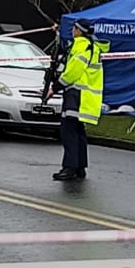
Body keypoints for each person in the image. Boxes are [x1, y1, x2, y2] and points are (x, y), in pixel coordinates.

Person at [44, 18, 108, 181]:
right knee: (78, 131)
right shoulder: (93, 46)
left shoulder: (80, 45)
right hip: (85, 96)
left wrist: (55, 88)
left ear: (79, 31)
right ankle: (79, 167)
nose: (72, 31)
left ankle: (69, 167)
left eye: (74, 28)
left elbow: (73, 72)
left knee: (69, 131)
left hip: (76, 94)